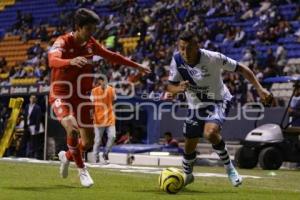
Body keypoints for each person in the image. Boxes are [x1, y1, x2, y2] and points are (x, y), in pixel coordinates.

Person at [48, 8, 150, 187]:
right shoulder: (63, 41)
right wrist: (69, 61)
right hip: (61, 94)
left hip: (81, 96)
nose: (92, 33)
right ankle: (82, 170)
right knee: (71, 128)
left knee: (86, 142)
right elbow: (52, 60)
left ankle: (67, 156)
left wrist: (137, 66)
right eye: (89, 29)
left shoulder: (91, 43)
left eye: (94, 29)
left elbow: (112, 56)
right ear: (78, 27)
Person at [166, 31, 272, 187]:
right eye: (181, 48)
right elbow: (170, 87)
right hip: (195, 106)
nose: (184, 52)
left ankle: (229, 168)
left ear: (197, 46)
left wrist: (260, 89)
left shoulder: (213, 58)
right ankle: (188, 175)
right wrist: (178, 89)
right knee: (189, 144)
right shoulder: (176, 60)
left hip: (218, 100)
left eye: (188, 48)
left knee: (210, 133)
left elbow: (242, 69)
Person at [91, 77, 116, 164]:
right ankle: (96, 158)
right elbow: (91, 105)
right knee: (97, 140)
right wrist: (91, 115)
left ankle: (106, 153)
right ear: (98, 82)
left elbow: (114, 101)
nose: (103, 83)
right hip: (98, 119)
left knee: (113, 136)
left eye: (104, 81)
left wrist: (112, 110)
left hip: (109, 118)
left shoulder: (111, 90)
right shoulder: (94, 91)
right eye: (101, 82)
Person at [22, 95, 44, 159]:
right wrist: (24, 125)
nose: (32, 99)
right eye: (31, 98)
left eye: (34, 98)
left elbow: (38, 118)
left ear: (36, 100)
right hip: (27, 126)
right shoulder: (27, 106)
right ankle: (26, 153)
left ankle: (33, 154)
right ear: (29, 99)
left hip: (33, 126)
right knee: (25, 140)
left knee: (34, 141)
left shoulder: (37, 107)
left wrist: (37, 127)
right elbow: (25, 116)